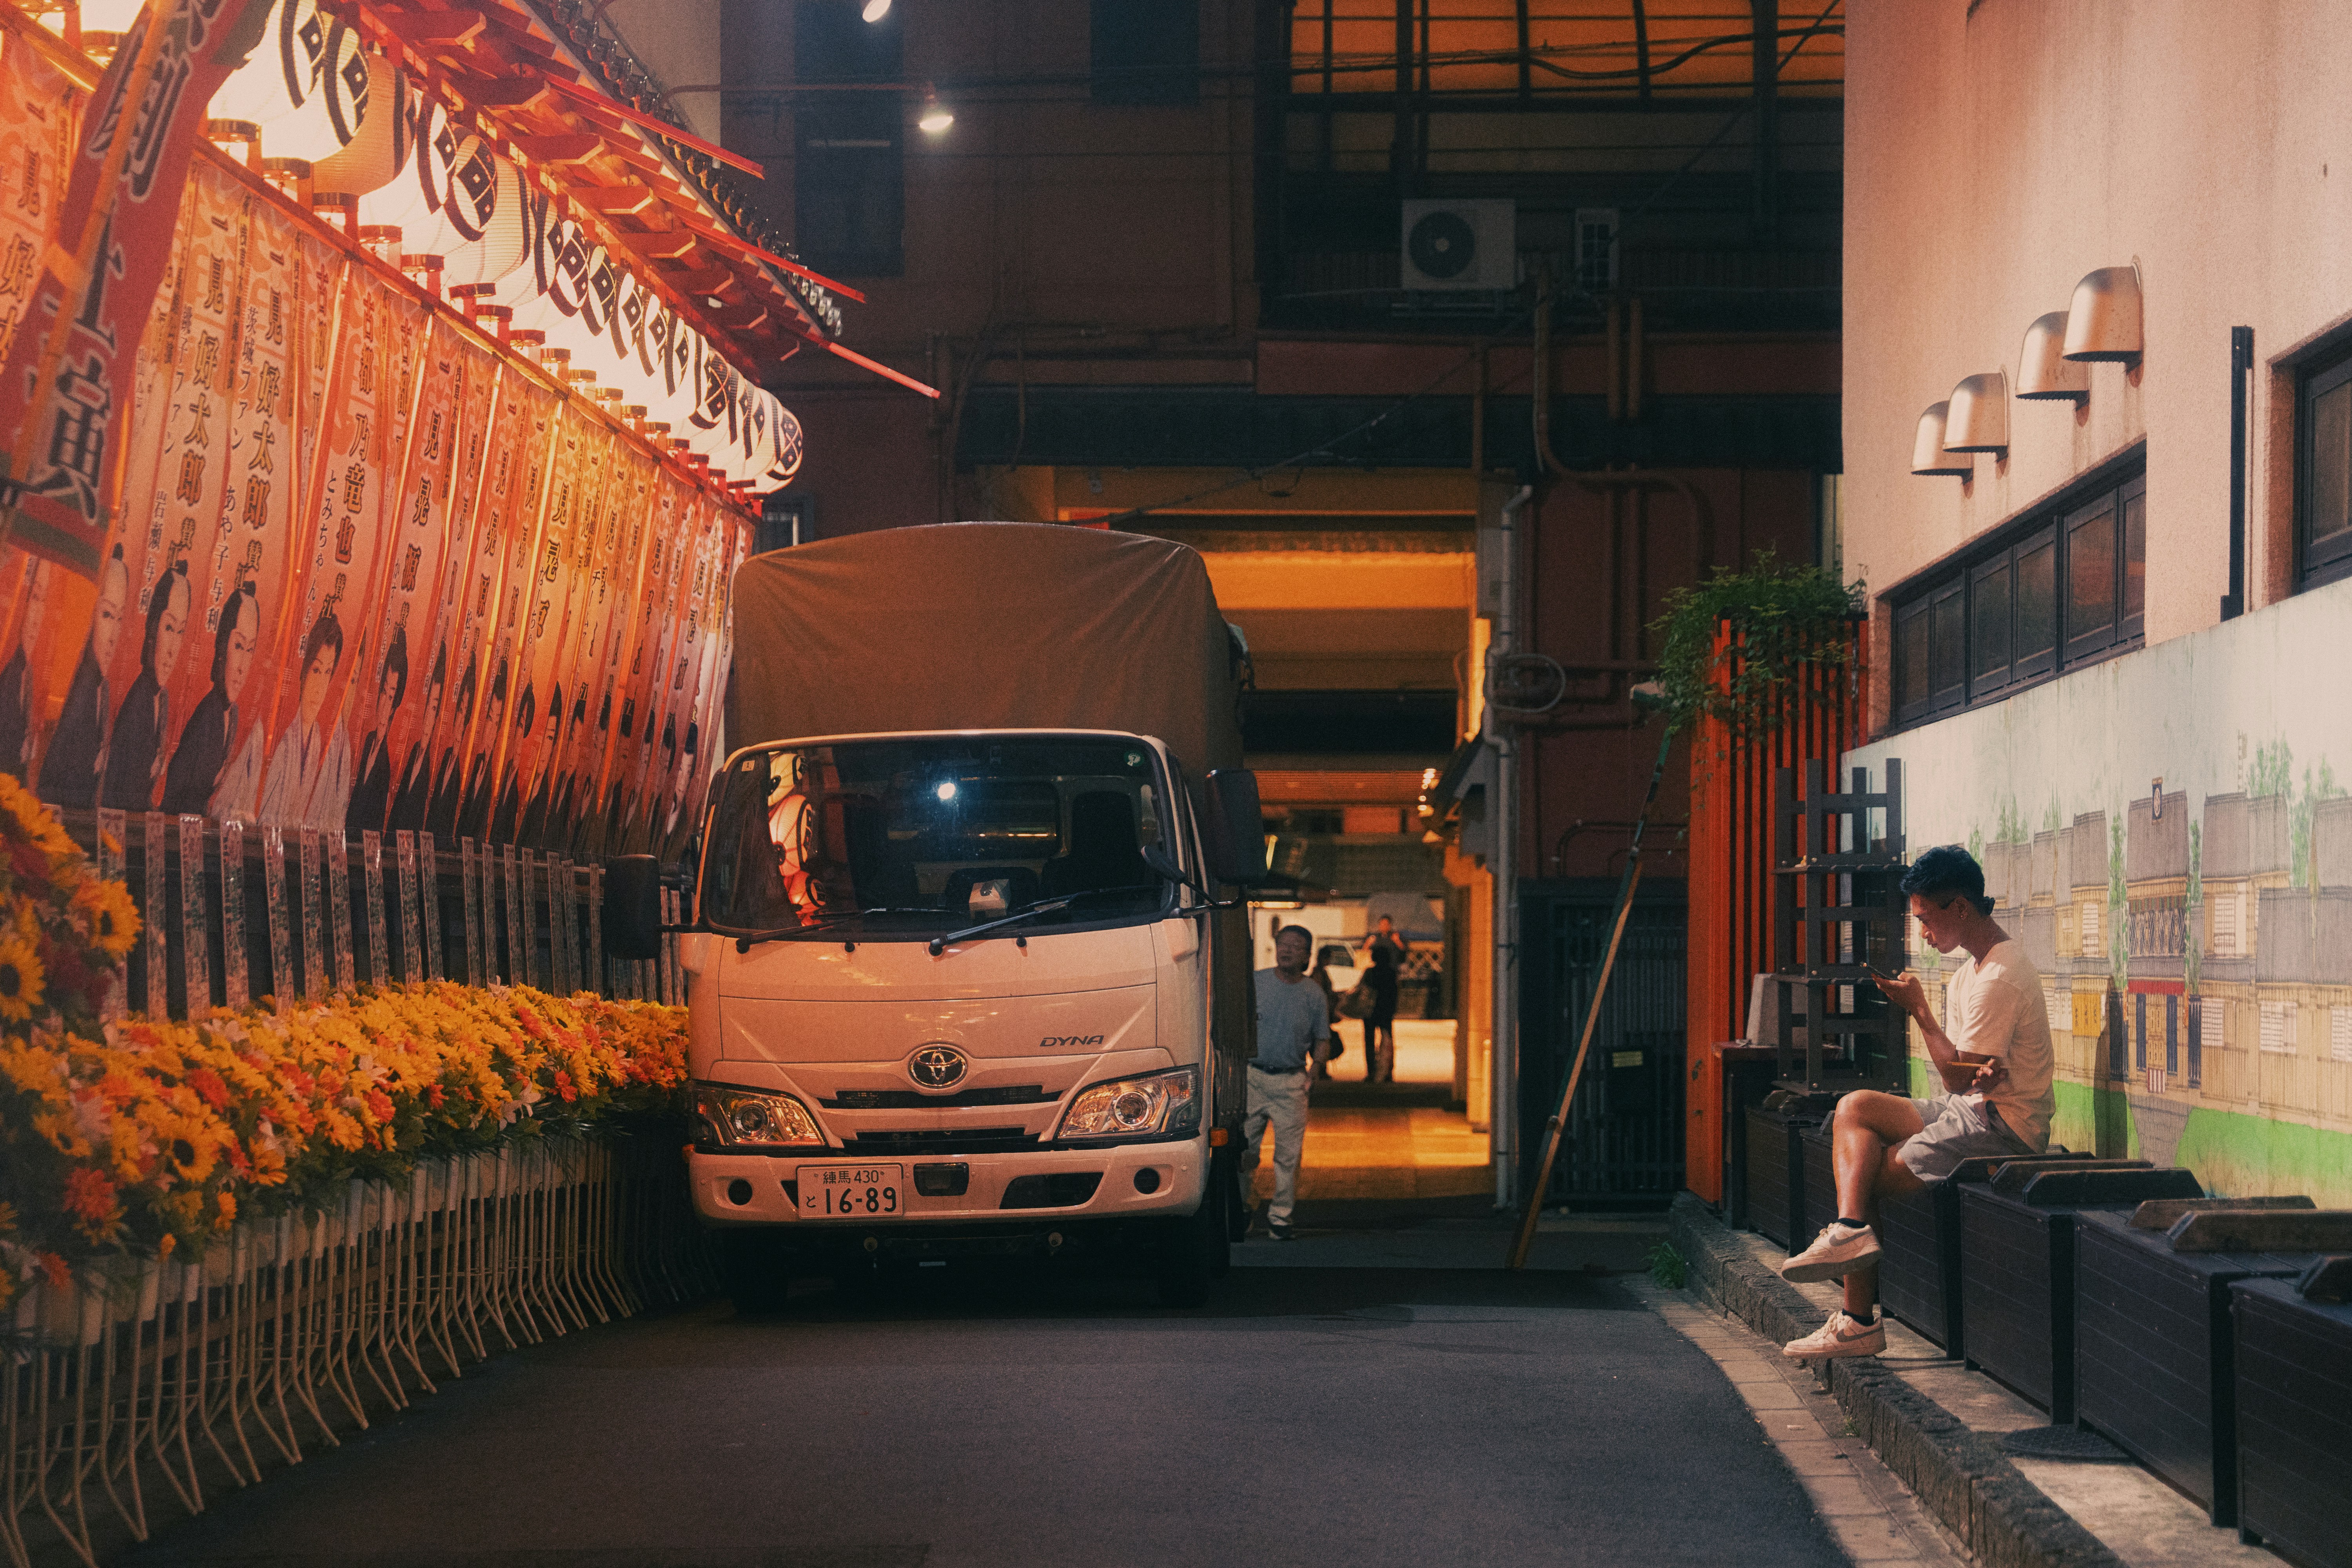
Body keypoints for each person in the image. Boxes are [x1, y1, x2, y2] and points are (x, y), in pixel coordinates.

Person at [1778, 845, 2054, 1360]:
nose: (1923, 933)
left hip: (2002, 1125)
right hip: (1971, 1110)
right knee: (1855, 1106)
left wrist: (1920, 1011)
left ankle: (1857, 1317)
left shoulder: (1999, 977)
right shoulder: (1974, 970)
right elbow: (1967, 1078)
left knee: (1862, 1180)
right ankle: (1851, 1233)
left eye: (1926, 919)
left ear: (1960, 909)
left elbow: (1955, 1078)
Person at [1236, 924, 1332, 1242]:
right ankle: (1243, 1208)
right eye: (1283, 944)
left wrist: (1315, 1070)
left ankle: (1281, 1218)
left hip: (1292, 1082)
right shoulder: (1256, 983)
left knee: (1288, 1156)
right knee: (1244, 1152)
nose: (1287, 950)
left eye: (1295, 946)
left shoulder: (1313, 994)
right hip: (1253, 1077)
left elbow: (1322, 1038)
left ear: (1307, 955)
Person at [38, 546, 127, 808]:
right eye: (107, 615)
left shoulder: (103, 684)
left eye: (120, 619)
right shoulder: (73, 683)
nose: (113, 635)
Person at [160, 578, 257, 817]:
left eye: (250, 650)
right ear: (222, 648)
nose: (242, 667)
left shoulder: (232, 715)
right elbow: (177, 788)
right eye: (237, 646)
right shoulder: (207, 715)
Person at [100, 561, 192, 812]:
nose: (173, 648)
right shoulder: (138, 702)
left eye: (181, 632)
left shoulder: (162, 698)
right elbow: (122, 794)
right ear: (152, 628)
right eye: (169, 627)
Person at [1361, 939, 1399, 1084]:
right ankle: (1388, 1072)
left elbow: (1363, 990)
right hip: (1385, 1011)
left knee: (1369, 1041)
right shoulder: (1391, 973)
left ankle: (1371, 1072)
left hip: (1370, 1011)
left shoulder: (1370, 972)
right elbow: (1394, 992)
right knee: (1388, 1040)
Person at [1308, 943, 1347, 1081]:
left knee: (1320, 1041)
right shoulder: (1319, 974)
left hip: (1321, 1013)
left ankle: (1321, 1068)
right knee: (1321, 1041)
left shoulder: (1320, 973)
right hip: (1320, 1014)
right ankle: (1321, 1069)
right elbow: (1320, 995)